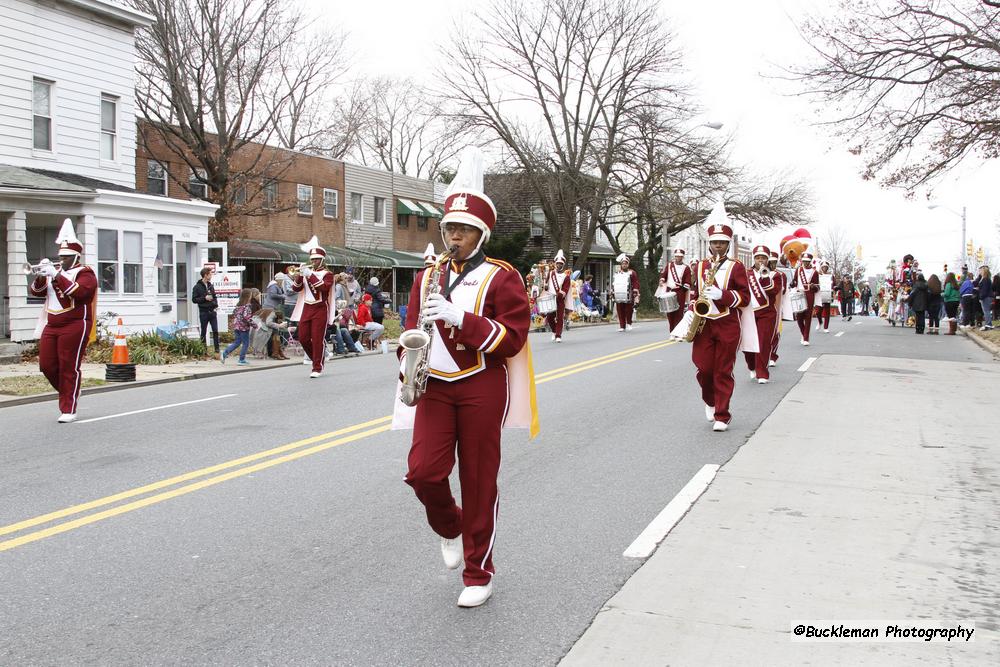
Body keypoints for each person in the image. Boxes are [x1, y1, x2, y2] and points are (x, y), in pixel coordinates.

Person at [394, 155, 537, 608]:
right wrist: (406, 358)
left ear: (482, 234)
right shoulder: (427, 275)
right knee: (422, 473)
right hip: (434, 383)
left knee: (479, 480)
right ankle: (450, 525)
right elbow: (413, 327)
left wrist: (463, 319)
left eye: (463, 229)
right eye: (448, 228)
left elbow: (513, 338)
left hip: (480, 383)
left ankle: (479, 572)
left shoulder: (502, 276)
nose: (453, 236)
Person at [683, 206, 751, 432]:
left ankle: (722, 414)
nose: (718, 246)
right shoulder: (701, 266)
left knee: (723, 370)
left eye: (722, 242)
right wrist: (692, 307)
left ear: (728, 244)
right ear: (710, 243)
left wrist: (722, 295)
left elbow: (744, 297)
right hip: (704, 323)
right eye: (714, 242)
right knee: (703, 369)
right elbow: (695, 292)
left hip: (727, 323)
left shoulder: (737, 267)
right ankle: (710, 401)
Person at [28, 218, 97, 423]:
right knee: (47, 365)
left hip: (75, 323)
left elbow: (79, 293)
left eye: (67, 257)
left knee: (69, 365)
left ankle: (68, 407)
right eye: (61, 256)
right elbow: (36, 292)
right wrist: (41, 276)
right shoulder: (55, 272)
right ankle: (70, 390)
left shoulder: (85, 273)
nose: (63, 260)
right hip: (52, 324)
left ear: (76, 257)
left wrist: (57, 274)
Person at [289, 236, 336, 378]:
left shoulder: (328, 274)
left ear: (322, 260)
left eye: (316, 259)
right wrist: (299, 276)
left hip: (321, 308)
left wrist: (310, 275)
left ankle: (317, 367)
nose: (313, 262)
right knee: (303, 338)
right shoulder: (307, 273)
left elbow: (323, 288)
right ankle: (318, 359)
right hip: (307, 307)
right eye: (312, 260)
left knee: (317, 339)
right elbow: (295, 289)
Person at [743, 246, 780, 384]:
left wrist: (764, 277)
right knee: (747, 344)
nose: (760, 260)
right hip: (749, 312)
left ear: (767, 259)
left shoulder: (774, 275)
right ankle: (752, 366)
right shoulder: (746, 273)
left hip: (767, 313)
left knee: (763, 343)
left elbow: (774, 291)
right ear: (754, 259)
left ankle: (762, 373)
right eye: (758, 258)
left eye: (763, 258)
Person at [659, 247, 692, 333]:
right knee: (669, 312)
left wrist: (685, 286)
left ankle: (677, 332)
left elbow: (688, 280)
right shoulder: (670, 265)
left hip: (679, 291)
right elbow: (664, 275)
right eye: (676, 256)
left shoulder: (686, 268)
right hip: (669, 290)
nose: (678, 258)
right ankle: (672, 331)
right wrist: (662, 280)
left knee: (678, 313)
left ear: (682, 257)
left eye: (680, 256)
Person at [220, 288, 256, 365]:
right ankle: (241, 359)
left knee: (237, 342)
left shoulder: (238, 306)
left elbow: (235, 315)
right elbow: (247, 317)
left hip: (236, 326)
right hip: (243, 328)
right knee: (246, 343)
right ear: (248, 296)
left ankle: (225, 353)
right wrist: (254, 325)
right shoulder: (247, 306)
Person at [792, 252, 820, 345]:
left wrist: (813, 287)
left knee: (808, 317)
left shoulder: (815, 272)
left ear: (810, 262)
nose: (805, 263)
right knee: (799, 317)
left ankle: (806, 338)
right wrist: (792, 283)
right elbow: (795, 281)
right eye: (804, 261)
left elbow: (818, 288)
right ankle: (804, 334)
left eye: (807, 261)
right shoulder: (798, 270)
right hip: (799, 294)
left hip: (809, 295)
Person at [543, 250, 571, 342]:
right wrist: (546, 286)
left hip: (559, 299)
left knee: (559, 318)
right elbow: (546, 284)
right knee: (550, 317)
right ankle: (554, 331)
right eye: (557, 263)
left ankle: (558, 335)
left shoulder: (566, 277)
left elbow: (565, 289)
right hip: (551, 299)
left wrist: (560, 294)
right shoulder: (551, 273)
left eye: (560, 264)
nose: (559, 265)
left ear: (563, 265)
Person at [192, 266, 220, 353]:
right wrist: (204, 298)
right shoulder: (197, 287)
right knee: (203, 331)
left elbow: (214, 297)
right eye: (210, 274)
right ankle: (203, 350)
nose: (211, 276)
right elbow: (194, 299)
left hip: (212, 312)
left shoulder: (210, 286)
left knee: (215, 330)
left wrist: (215, 305)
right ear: (205, 275)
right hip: (203, 312)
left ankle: (217, 349)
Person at [767, 250, 786, 368]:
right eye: (770, 262)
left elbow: (782, 290)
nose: (772, 265)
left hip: (776, 306)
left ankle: (772, 355)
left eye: (774, 262)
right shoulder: (758, 273)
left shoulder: (781, 275)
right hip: (761, 307)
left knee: (775, 332)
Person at [612, 253, 640, 332]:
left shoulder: (632, 273)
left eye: (625, 264)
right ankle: (622, 325)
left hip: (629, 294)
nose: (624, 265)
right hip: (619, 294)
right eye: (623, 264)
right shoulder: (617, 273)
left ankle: (629, 323)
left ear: (628, 264)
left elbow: (635, 282)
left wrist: (635, 291)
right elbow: (614, 283)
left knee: (628, 310)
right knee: (620, 310)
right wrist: (612, 291)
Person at [815, 260, 834, 332]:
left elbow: (833, 284)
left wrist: (834, 288)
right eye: (823, 267)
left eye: (826, 267)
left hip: (827, 294)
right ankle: (820, 322)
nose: (824, 268)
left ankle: (826, 327)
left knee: (827, 311)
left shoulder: (831, 275)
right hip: (819, 294)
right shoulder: (817, 274)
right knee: (818, 311)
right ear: (821, 267)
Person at [974, 266, 994, 330]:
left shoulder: (985, 279)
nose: (980, 272)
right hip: (987, 296)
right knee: (986, 311)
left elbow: (985, 290)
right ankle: (989, 324)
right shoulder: (985, 278)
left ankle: (988, 324)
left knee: (986, 311)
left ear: (984, 271)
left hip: (986, 297)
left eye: (981, 271)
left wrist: (981, 297)